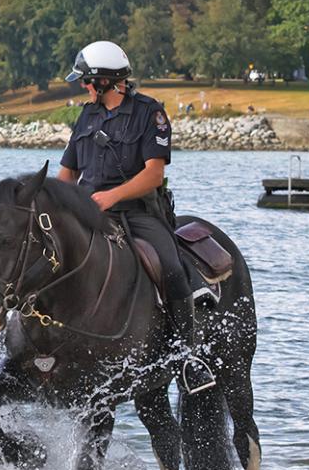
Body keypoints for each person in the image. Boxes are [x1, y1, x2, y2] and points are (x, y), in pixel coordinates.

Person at [56, 40, 214, 394]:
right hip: (90, 215)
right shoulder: (86, 115)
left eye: (86, 81)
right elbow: (66, 174)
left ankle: (188, 358)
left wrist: (111, 196)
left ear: (105, 81)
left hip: (139, 214)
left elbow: (153, 175)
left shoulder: (149, 113)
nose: (82, 87)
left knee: (171, 267)